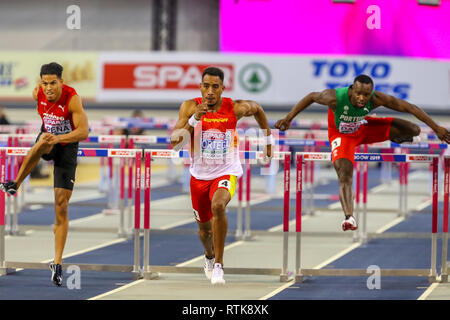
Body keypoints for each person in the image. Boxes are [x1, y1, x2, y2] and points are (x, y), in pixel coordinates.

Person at [275, 74, 450, 232]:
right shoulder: (334, 97)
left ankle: (402, 139)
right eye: (358, 94)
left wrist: (436, 128)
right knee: (344, 173)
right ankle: (349, 217)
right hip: (342, 136)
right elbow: (311, 96)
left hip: (363, 127)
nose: (362, 98)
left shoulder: (377, 99)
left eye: (366, 95)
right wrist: (288, 118)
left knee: (414, 129)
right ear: (352, 89)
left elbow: (411, 108)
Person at [170, 66, 272, 285]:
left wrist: (268, 141)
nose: (210, 91)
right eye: (206, 86)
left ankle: (219, 264)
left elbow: (258, 109)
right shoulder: (189, 107)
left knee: (218, 206)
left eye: (215, 87)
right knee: (204, 231)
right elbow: (176, 143)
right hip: (199, 176)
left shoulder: (234, 108)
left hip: (226, 170)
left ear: (222, 89)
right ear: (200, 87)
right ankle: (208, 256)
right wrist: (194, 120)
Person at [0, 62, 89, 286]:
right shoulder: (37, 93)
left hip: (67, 144)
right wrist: (49, 137)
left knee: (61, 204)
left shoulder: (72, 98)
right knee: (41, 141)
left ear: (61, 81)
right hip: (47, 139)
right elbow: (44, 124)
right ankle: (16, 183)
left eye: (53, 83)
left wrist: (58, 138)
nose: (48, 87)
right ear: (40, 83)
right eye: (45, 83)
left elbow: (84, 131)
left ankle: (57, 263)